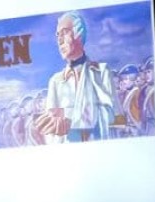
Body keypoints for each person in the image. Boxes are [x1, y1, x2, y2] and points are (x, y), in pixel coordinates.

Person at [34, 11, 115, 142]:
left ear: (79, 33)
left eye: (64, 32)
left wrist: (70, 120)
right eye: (57, 35)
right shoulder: (56, 81)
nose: (59, 40)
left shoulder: (101, 72)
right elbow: (53, 125)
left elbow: (114, 116)